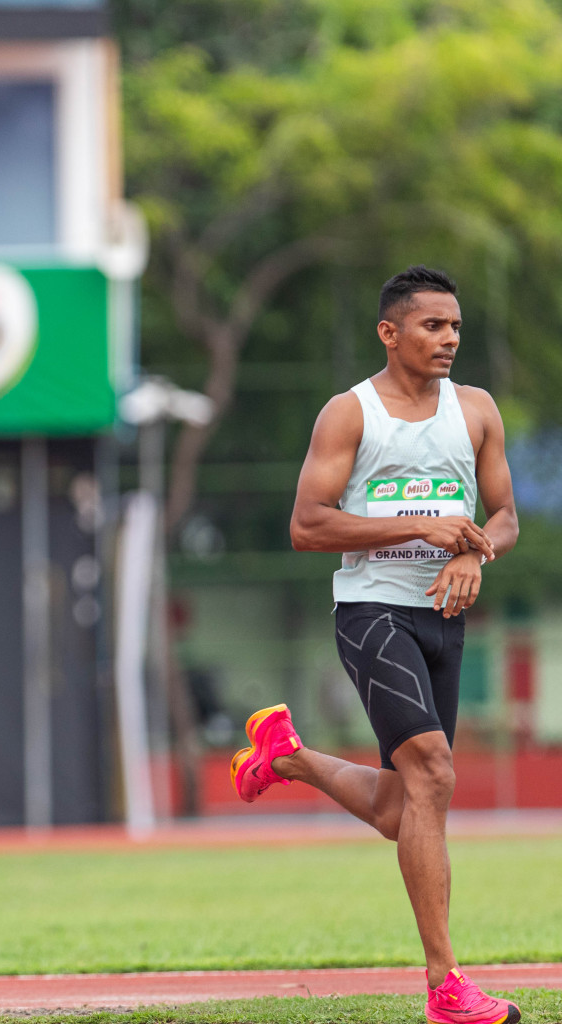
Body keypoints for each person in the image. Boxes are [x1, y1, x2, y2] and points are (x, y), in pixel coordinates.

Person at [232, 266, 519, 1024]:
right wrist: (418, 525)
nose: (449, 338)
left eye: (456, 326)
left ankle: (284, 755)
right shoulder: (349, 414)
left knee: (406, 805)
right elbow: (307, 526)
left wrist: (472, 552)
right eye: (433, 326)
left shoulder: (478, 411)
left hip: (444, 617)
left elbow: (506, 518)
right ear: (390, 332)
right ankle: (446, 986)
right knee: (434, 771)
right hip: (372, 612)